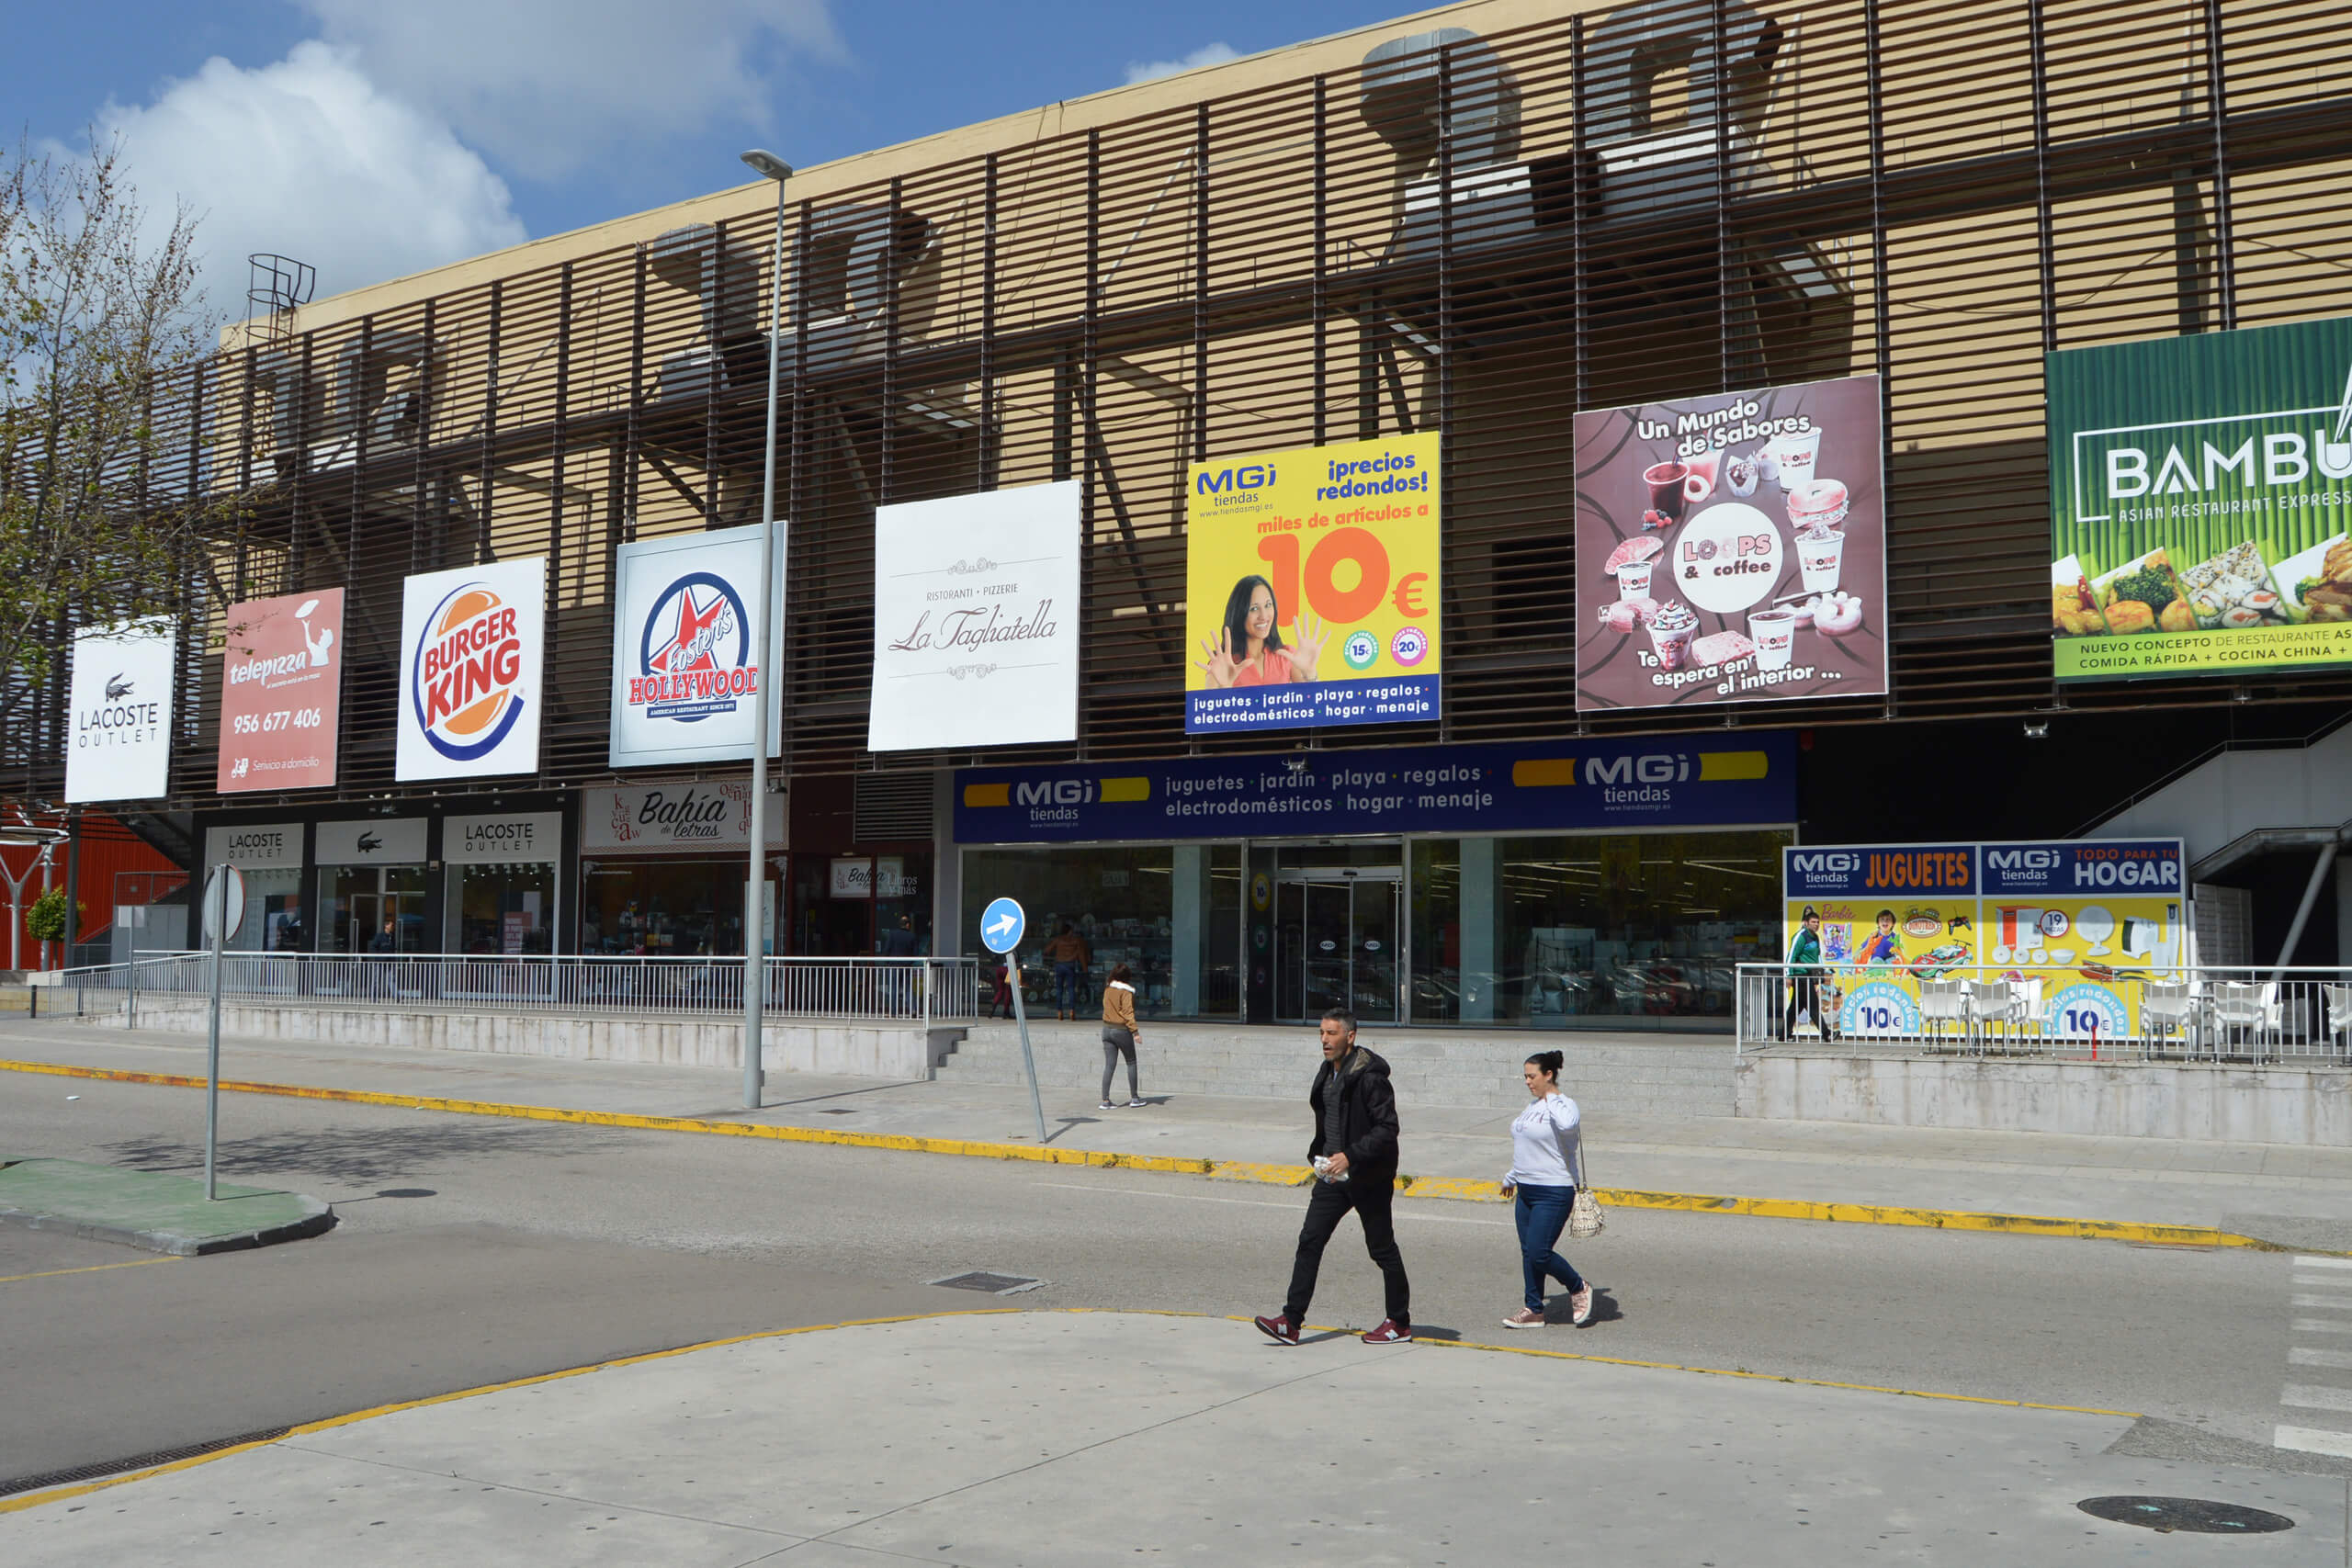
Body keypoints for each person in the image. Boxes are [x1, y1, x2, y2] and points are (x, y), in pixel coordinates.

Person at [1253, 1010, 1412, 1346]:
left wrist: (1350, 1156)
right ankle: (1291, 1322)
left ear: (1350, 1037)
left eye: (1331, 1034)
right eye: (1321, 1033)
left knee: (1381, 1249)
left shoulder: (1371, 1077)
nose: (1324, 1040)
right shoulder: (1327, 1072)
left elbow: (1388, 1129)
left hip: (1368, 1177)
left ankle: (1399, 1322)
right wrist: (1318, 1154)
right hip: (1332, 1178)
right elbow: (1328, 1120)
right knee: (1310, 1241)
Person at [1499, 1051, 1594, 1329]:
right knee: (1529, 1252)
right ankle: (1534, 1309)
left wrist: (1551, 1095)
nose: (1527, 1081)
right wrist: (1511, 1177)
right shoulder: (1531, 1107)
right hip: (1526, 1189)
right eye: (1525, 1076)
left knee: (1540, 1251)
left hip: (1554, 1190)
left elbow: (1567, 1125)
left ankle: (1578, 1287)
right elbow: (1526, 1147)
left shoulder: (1564, 1105)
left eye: (1532, 1076)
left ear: (1548, 1075)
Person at [1194, 574, 1329, 689]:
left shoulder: (1286, 656)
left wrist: (1311, 674)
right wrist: (1224, 690)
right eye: (1254, 609)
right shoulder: (1223, 664)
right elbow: (1211, 715)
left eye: (1268, 605)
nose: (1264, 616)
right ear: (1239, 613)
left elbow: (1314, 710)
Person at [1099, 963, 1146, 1109]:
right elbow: (1127, 1012)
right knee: (1131, 1062)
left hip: (1106, 1029)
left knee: (1109, 1065)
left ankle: (1105, 1101)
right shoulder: (1126, 991)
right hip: (1121, 1030)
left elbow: (1105, 1006)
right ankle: (1134, 1098)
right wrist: (1135, 1032)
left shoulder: (1108, 988)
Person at [1784, 906, 1833, 1040]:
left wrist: (1823, 973)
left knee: (1796, 1007)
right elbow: (1791, 956)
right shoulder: (1801, 936)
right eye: (1813, 922)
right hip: (1800, 975)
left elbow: (1817, 958)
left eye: (1818, 922)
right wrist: (1788, 975)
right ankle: (1827, 1034)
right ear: (1806, 923)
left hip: (1809, 976)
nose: (1816, 925)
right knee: (1813, 1005)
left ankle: (1784, 1034)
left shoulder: (1816, 937)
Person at [1042, 922, 1091, 1021]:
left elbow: (1046, 950)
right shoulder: (1076, 940)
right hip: (1070, 965)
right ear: (1070, 931)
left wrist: (1053, 956)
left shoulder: (1058, 940)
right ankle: (1072, 1010)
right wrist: (1085, 969)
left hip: (1059, 964)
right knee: (1071, 989)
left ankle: (1059, 1011)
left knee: (1059, 989)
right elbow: (1081, 955)